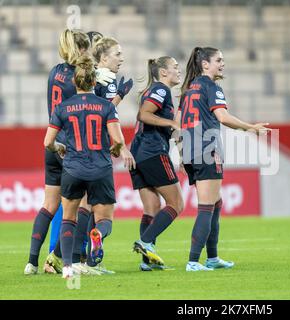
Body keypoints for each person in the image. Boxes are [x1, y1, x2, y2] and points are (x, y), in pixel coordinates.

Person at [43, 54, 136, 279]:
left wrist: (59, 149)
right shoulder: (106, 106)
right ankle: (97, 234)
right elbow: (118, 140)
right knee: (105, 220)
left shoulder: (62, 108)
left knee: (68, 218)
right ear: (95, 82)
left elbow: (47, 142)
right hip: (100, 169)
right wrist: (115, 150)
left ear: (74, 82)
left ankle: (67, 266)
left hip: (73, 169)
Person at [179, 47, 270, 271]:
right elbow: (223, 117)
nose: (223, 64)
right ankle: (193, 261)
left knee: (216, 204)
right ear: (205, 64)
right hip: (208, 150)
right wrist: (251, 128)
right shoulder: (211, 86)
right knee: (207, 207)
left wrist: (182, 153)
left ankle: (212, 258)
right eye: (218, 60)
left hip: (192, 150)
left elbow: (180, 123)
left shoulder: (188, 89)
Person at [24, 29, 90, 275]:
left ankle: (31, 261)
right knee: (83, 204)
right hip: (71, 148)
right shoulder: (78, 78)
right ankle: (60, 258)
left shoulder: (54, 72)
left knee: (49, 204)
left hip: (52, 145)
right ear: (82, 49)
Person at [130, 56, 184, 271]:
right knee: (176, 204)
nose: (178, 71)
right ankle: (146, 243)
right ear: (163, 72)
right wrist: (171, 122)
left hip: (138, 153)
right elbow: (143, 114)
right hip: (152, 152)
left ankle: (147, 261)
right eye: (175, 67)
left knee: (152, 208)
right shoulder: (161, 90)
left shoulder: (154, 90)